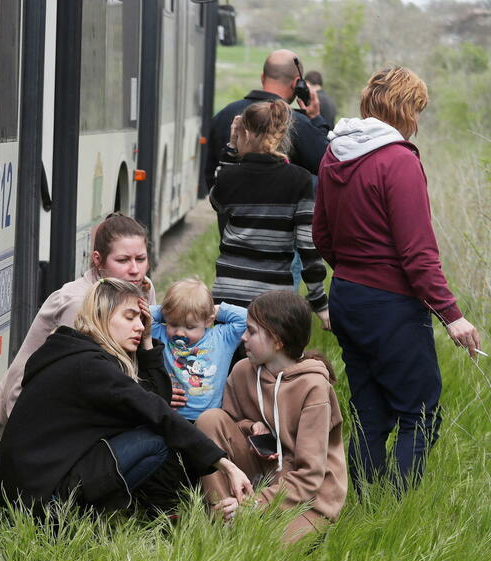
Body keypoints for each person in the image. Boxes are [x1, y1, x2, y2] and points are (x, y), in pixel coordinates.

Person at [312, 66, 482, 491]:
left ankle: (364, 502)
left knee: (369, 413)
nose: (418, 122)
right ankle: (396, 506)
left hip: (348, 297)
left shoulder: (335, 153)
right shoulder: (398, 161)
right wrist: (452, 315)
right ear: (404, 108)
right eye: (417, 111)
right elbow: (417, 254)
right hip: (390, 305)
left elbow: (321, 234)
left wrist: (352, 272)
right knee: (419, 414)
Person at [0, 278, 251, 516]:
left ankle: (147, 508)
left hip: (26, 492)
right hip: (42, 503)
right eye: (130, 317)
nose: (139, 325)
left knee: (154, 426)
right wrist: (227, 465)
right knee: (160, 436)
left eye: (141, 318)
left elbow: (155, 399)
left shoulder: (76, 351)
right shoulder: (93, 368)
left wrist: (148, 342)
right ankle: (155, 512)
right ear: (101, 316)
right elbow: (158, 412)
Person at [0, 213, 184, 424]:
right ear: (97, 260)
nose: (135, 270)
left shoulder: (142, 287)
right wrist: (149, 398)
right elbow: (76, 380)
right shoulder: (78, 303)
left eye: (140, 259)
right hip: (32, 409)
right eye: (122, 260)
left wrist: (160, 387)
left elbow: (137, 357)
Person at [197, 291, 347, 543]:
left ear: (277, 341)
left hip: (308, 496)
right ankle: (222, 515)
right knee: (209, 420)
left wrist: (255, 505)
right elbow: (230, 424)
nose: (243, 337)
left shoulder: (314, 388)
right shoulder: (243, 371)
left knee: (262, 548)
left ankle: (244, 517)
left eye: (252, 331)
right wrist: (250, 426)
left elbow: (310, 475)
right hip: (258, 474)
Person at [210, 99, 330, 343]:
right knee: (268, 372)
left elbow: (216, 202)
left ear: (244, 132)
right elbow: (307, 246)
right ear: (283, 133)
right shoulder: (300, 180)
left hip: (228, 297)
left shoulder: (229, 176)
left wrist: (231, 149)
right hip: (273, 301)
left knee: (228, 372)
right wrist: (319, 302)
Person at [205, 49, 330, 190]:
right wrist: (316, 120)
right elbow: (327, 165)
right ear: (296, 83)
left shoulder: (224, 115)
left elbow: (211, 175)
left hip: (231, 210)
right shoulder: (298, 123)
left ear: (262, 77)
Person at [149, 278, 247, 422]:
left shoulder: (222, 337)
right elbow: (141, 315)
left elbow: (246, 318)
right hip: (171, 416)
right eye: (174, 324)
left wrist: (211, 310)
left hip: (209, 419)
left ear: (208, 320)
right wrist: (170, 309)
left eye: (190, 327)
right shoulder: (162, 334)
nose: (180, 333)